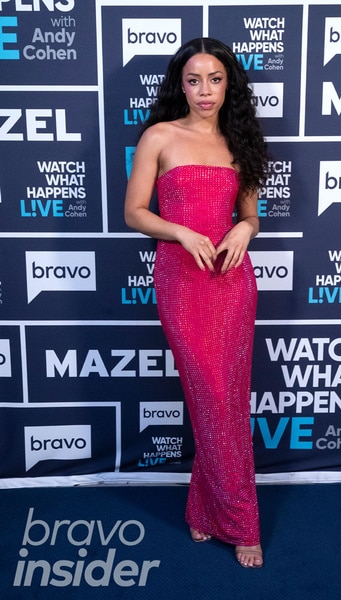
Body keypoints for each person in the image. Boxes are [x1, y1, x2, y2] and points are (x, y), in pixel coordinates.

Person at [124, 37, 269, 568]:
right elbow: (134, 212)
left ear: (229, 84)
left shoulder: (240, 142)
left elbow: (249, 215)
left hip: (232, 283)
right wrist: (181, 233)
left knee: (227, 398)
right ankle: (240, 521)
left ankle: (208, 508)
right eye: (193, 79)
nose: (204, 90)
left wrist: (244, 232)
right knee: (210, 394)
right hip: (182, 283)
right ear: (179, 84)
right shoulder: (160, 136)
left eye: (214, 79)